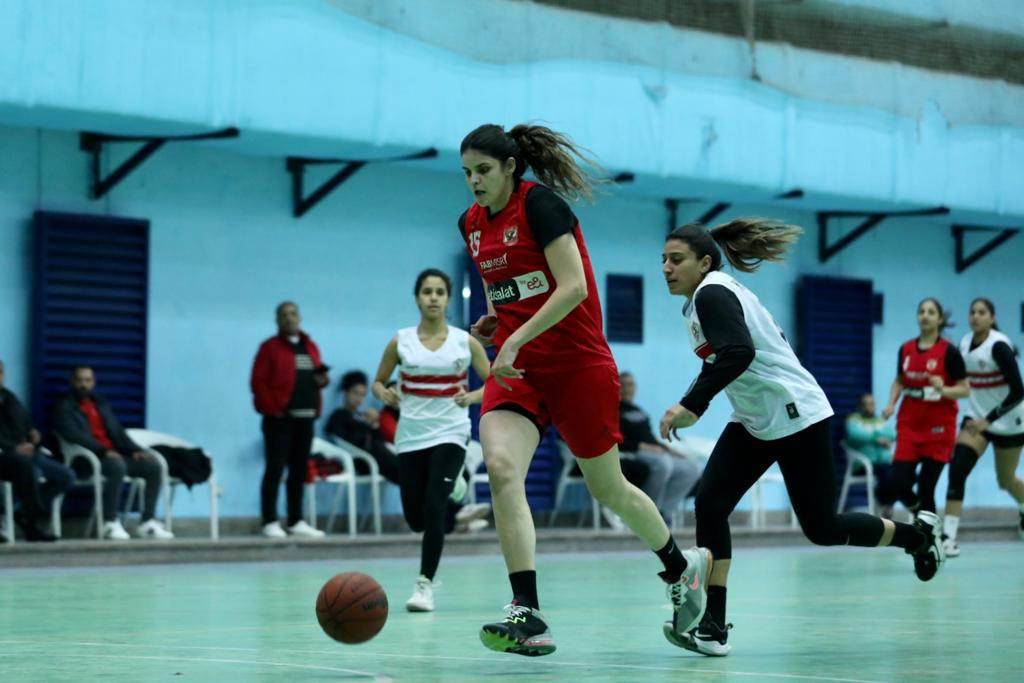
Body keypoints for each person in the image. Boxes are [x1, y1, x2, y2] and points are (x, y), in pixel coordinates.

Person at [459, 123, 710, 657]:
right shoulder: (471, 224)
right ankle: (527, 611)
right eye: (467, 173)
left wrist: (513, 338)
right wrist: (495, 321)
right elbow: (501, 285)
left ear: (509, 168)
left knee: (609, 488)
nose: (474, 181)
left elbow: (572, 287)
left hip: (578, 365)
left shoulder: (541, 205)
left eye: (483, 170)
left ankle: (679, 567)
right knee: (500, 468)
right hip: (521, 370)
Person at [658, 220, 945, 657]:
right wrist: (693, 399)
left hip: (797, 416)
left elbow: (738, 352)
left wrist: (692, 404)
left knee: (822, 528)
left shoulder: (712, 293)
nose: (666, 267)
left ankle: (917, 537)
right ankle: (714, 624)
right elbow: (725, 358)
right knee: (711, 503)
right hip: (754, 419)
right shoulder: (704, 300)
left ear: (704, 262)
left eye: (676, 259)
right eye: (663, 259)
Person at [370, 268, 492, 612]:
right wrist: (384, 394)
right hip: (411, 434)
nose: (433, 297)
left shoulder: (464, 342)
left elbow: (494, 383)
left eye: (440, 292)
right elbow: (378, 382)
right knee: (416, 518)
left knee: (435, 508)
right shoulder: (401, 341)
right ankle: (457, 487)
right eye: (427, 292)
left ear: (448, 298)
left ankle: (424, 585)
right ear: (417, 298)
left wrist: (472, 397)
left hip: (451, 432)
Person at [942, 298, 1024, 557]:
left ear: (992, 317)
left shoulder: (999, 346)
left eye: (981, 312)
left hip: (1009, 421)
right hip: (976, 419)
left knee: (1005, 481)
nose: (975, 316)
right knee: (958, 469)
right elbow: (956, 379)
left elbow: (1018, 391)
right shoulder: (964, 343)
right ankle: (948, 538)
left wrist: (988, 420)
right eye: (972, 312)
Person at [54, 366, 171, 540]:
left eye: (87, 380)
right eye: (79, 380)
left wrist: (135, 450)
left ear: (94, 383)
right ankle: (109, 522)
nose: (83, 384)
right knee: (117, 466)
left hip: (112, 456)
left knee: (152, 465)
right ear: (72, 382)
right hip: (87, 460)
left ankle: (147, 522)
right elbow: (73, 435)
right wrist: (103, 450)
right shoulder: (64, 407)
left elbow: (117, 431)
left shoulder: (100, 404)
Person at [882, 298, 969, 520]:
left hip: (939, 428)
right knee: (898, 482)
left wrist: (943, 389)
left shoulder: (949, 352)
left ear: (939, 319)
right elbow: (899, 381)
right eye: (921, 311)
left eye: (931, 312)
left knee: (926, 488)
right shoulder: (906, 349)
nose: (925, 315)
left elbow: (965, 389)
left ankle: (928, 537)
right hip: (909, 424)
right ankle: (924, 518)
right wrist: (891, 404)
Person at [251, 301, 330, 539]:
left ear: (300, 317)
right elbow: (258, 383)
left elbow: (315, 376)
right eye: (284, 315)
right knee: (275, 469)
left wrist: (322, 381)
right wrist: (275, 409)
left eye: (293, 314)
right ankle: (270, 521)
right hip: (279, 419)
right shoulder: (269, 348)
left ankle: (296, 520)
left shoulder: (310, 346)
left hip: (306, 418)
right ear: (277, 320)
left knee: (299, 470)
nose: (289, 318)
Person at [0, 359, 73, 538]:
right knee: (28, 469)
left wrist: (33, 435)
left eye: (0, 372)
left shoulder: (9, 398)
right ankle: (32, 523)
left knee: (65, 476)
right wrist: (12, 448)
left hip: (27, 452)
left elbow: (25, 423)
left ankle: (22, 511)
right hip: (6, 455)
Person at [619, 371, 702, 524]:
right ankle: (647, 511)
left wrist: (669, 450)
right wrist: (641, 446)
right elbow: (615, 441)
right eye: (623, 385)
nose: (627, 389)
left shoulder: (640, 412)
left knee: (691, 467)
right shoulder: (613, 411)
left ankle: (664, 510)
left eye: (630, 385)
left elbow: (650, 438)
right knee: (663, 464)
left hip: (653, 452)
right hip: (633, 453)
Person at [325, 371, 400, 485]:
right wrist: (365, 426)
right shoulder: (339, 415)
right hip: (365, 459)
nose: (359, 398)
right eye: (355, 393)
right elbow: (349, 439)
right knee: (408, 473)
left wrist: (374, 425)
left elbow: (379, 439)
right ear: (345, 392)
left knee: (410, 469)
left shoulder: (360, 416)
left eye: (362, 395)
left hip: (378, 456)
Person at [844, 393, 899, 515]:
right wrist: (876, 438)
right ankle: (884, 503)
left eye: (872, 403)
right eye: (867, 404)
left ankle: (886, 503)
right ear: (861, 406)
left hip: (883, 462)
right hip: (863, 464)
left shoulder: (879, 420)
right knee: (885, 472)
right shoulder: (854, 419)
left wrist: (874, 435)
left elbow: (891, 434)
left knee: (901, 473)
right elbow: (854, 434)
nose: (870, 406)